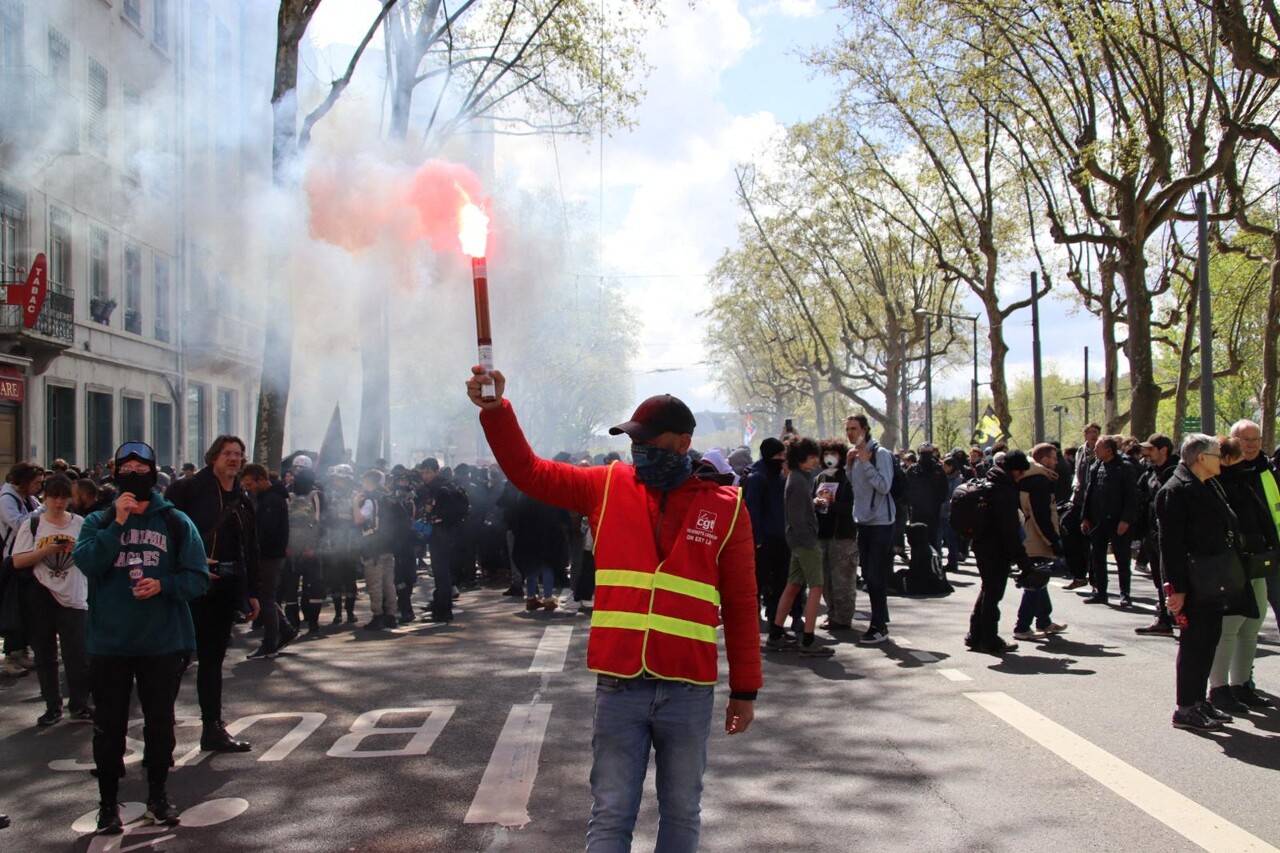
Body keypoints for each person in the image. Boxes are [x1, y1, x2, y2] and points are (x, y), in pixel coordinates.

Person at [467, 368, 760, 852]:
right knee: (610, 815)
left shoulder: (727, 506)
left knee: (682, 813)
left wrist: (745, 690)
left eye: (648, 440)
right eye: (632, 440)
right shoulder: (604, 485)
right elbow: (529, 471)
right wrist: (497, 411)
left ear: (683, 443)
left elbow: (743, 605)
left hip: (688, 689)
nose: (637, 449)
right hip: (619, 685)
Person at [73, 441, 210, 833]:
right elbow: (87, 562)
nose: (134, 473)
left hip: (162, 642)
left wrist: (163, 585)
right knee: (109, 726)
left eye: (140, 467)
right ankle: (107, 803)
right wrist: (117, 523)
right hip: (109, 643)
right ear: (115, 474)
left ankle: (158, 794)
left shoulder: (175, 522)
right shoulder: (97, 522)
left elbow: (198, 577)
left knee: (160, 724)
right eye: (126, 467)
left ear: (153, 473)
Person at [164, 436, 260, 753]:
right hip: (186, 588)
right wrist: (190, 561)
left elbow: (250, 548)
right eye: (227, 453)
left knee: (212, 661)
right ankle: (160, 730)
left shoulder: (244, 498)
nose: (233, 458)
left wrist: (252, 592)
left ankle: (212, 728)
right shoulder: (185, 488)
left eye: (238, 454)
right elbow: (163, 534)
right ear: (213, 456)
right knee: (174, 660)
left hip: (223, 589)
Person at [1157, 434, 1248, 732]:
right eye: (1216, 453)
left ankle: (1198, 700)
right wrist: (1176, 590)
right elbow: (1170, 547)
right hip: (1193, 581)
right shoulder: (1176, 490)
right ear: (1200, 458)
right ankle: (1185, 707)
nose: (1220, 458)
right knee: (1194, 643)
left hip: (1212, 579)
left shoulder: (1209, 484)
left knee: (1210, 638)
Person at [1208, 429, 1279, 712]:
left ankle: (1241, 684)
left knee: (1253, 624)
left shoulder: (1248, 479)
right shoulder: (1216, 486)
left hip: (1254, 562)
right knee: (1229, 629)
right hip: (1232, 566)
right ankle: (1220, 689)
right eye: (1237, 456)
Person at [11, 474, 91, 726]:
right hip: (41, 593)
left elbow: (92, 556)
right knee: (45, 653)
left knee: (76, 652)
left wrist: (75, 551)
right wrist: (45, 551)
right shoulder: (33, 524)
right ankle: (52, 705)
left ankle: (79, 704)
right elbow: (18, 560)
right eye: (54, 497)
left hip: (74, 593)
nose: (59, 503)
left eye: (64, 498)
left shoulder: (80, 522)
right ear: (45, 497)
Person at [765, 437, 834, 656]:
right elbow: (796, 519)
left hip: (797, 540)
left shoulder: (797, 478)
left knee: (793, 585)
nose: (816, 461)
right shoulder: (798, 481)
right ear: (801, 457)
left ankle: (776, 634)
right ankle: (808, 639)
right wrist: (810, 541)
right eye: (812, 457)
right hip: (804, 542)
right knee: (816, 587)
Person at [1227, 420, 1280, 698]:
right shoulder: (1225, 472)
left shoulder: (1269, 468)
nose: (1250, 444)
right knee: (1243, 623)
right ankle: (1241, 680)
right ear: (1232, 440)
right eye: (1245, 439)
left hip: (1271, 555)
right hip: (1241, 559)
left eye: (1255, 439)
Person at [965, 450, 1034, 654]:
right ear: (1015, 470)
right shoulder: (1004, 491)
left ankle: (975, 635)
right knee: (993, 594)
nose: (1021, 477)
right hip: (995, 547)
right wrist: (1022, 560)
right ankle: (989, 639)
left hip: (980, 543)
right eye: (1021, 473)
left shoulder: (989, 480)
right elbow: (1009, 529)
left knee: (987, 590)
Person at [846, 414, 894, 645]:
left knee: (876, 575)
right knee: (867, 575)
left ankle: (879, 624)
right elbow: (857, 487)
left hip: (881, 523)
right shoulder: (855, 455)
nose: (850, 433)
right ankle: (879, 621)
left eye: (854, 428)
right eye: (847, 429)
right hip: (862, 521)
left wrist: (865, 462)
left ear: (865, 429)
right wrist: (850, 465)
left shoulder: (881, 454)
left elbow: (885, 486)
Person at [240, 464, 296, 659]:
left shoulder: (270, 501)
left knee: (266, 598)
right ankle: (284, 629)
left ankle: (270, 642)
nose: (248, 488)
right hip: (271, 555)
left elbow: (266, 532)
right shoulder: (270, 498)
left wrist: (255, 551)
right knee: (267, 597)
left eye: (250, 484)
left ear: (262, 480)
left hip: (269, 556)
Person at [1012, 445, 1067, 641]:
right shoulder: (1038, 481)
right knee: (1035, 580)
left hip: (1028, 534)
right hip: (1035, 537)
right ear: (1042, 459)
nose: (1056, 462)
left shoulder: (1028, 478)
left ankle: (1043, 620)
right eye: (1052, 458)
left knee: (1039, 578)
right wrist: (1053, 540)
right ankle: (1022, 626)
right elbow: (1040, 515)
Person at [1079, 434, 1140, 606]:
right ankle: (1100, 591)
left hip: (1118, 521)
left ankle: (1125, 593)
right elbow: (1089, 494)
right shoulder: (1096, 466)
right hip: (1098, 521)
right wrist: (1086, 517)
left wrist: (1126, 520)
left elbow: (1131, 496)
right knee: (1097, 557)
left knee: (1122, 558)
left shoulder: (1125, 467)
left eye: (1098, 447)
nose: (1095, 450)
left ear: (1108, 449)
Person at [743, 437, 795, 632]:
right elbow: (753, 510)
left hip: (781, 537)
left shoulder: (779, 475)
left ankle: (775, 620)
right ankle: (755, 616)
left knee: (779, 582)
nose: (782, 459)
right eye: (779, 455)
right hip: (764, 541)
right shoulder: (757, 477)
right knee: (759, 581)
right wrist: (757, 539)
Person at [1, 461, 44, 677]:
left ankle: (22, 650)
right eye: (36, 483)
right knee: (13, 607)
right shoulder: (7, 499)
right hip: (11, 559)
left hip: (27, 557)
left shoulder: (28, 499)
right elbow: (19, 524)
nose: (39, 487)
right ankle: (11, 654)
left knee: (27, 607)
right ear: (24, 481)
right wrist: (41, 510)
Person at [1134, 434, 1181, 636]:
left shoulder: (1177, 472)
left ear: (1163, 450)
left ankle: (1171, 616)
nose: (1146, 454)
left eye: (1151, 450)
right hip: (1152, 533)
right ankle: (1165, 617)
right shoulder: (1151, 471)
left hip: (1170, 534)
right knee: (1158, 578)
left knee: (1171, 578)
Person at [815, 437, 857, 631]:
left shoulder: (848, 478)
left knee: (843, 579)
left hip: (842, 535)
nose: (829, 457)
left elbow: (853, 506)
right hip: (823, 534)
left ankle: (843, 617)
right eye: (826, 453)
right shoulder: (820, 478)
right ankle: (832, 614)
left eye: (834, 453)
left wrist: (833, 506)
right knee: (825, 578)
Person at [356, 470, 397, 630]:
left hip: (373, 547)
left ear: (368, 481)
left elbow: (359, 519)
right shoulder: (388, 497)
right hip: (388, 545)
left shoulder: (370, 499)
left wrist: (354, 504)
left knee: (375, 583)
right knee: (389, 583)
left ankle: (378, 615)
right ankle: (391, 614)